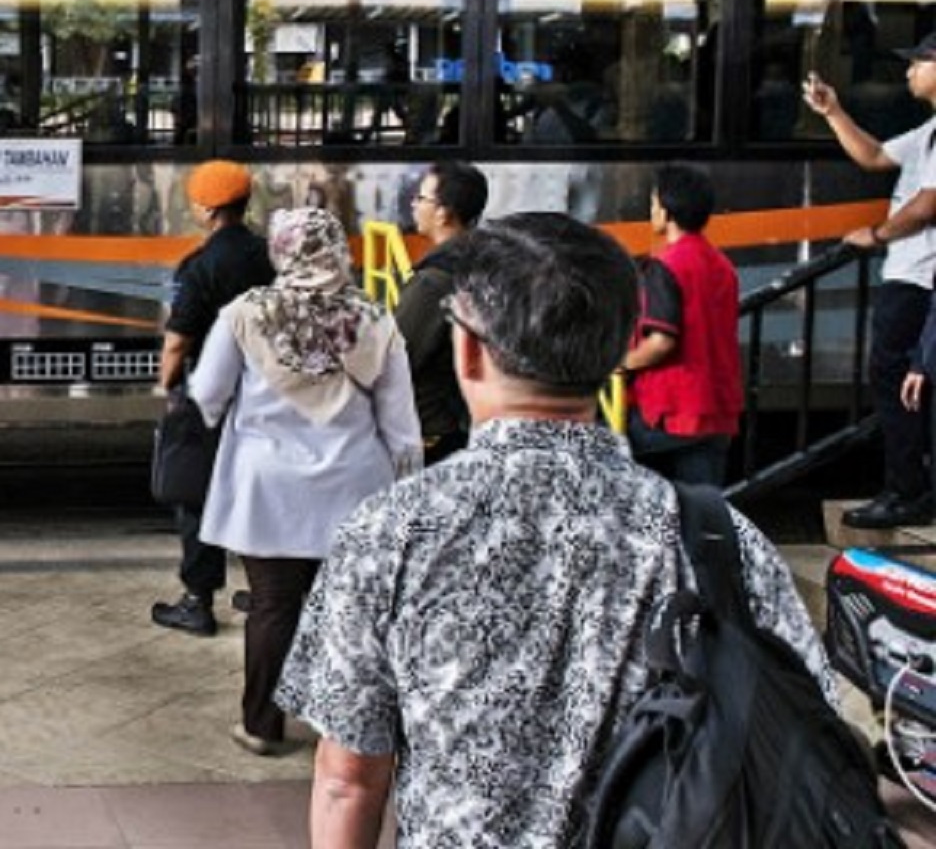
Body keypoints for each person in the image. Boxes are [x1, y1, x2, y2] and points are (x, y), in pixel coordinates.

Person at [278, 213, 835, 849]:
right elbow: (803, 733)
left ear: (468, 349)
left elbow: (347, 779)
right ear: (627, 344)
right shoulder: (719, 539)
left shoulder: (390, 532)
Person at [189, 208, 419, 758]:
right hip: (354, 486)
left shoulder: (245, 315)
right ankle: (344, 732)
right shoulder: (373, 318)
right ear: (338, 250)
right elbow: (401, 423)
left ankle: (262, 725)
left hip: (267, 489)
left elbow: (207, 394)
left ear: (281, 251)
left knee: (272, 605)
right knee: (345, 610)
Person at [803, 39, 936, 527]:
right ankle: (909, 487)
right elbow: (876, 156)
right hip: (908, 273)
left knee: (894, 380)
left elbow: (928, 205)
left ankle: (907, 491)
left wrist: (876, 234)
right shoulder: (928, 131)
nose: (909, 74)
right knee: (896, 380)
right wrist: (833, 112)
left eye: (920, 63)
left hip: (921, 279)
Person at [151, 160, 274, 637]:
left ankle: (197, 600)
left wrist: (169, 389)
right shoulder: (267, 255)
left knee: (196, 495)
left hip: (209, 392)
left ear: (205, 208)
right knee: (253, 488)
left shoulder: (201, 265)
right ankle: (264, 590)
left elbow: (178, 339)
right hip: (262, 389)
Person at [621, 163, 743, 486]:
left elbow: (661, 341)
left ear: (666, 210)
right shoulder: (723, 265)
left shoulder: (666, 266)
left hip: (674, 410)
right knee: (704, 512)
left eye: (653, 203)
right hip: (717, 409)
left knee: (599, 444)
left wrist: (620, 363)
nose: (651, 211)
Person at [392, 161, 488, 463]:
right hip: (470, 418)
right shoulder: (483, 260)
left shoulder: (434, 282)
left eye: (421, 198)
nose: (414, 204)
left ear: (444, 213)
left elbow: (397, 358)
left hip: (432, 430)